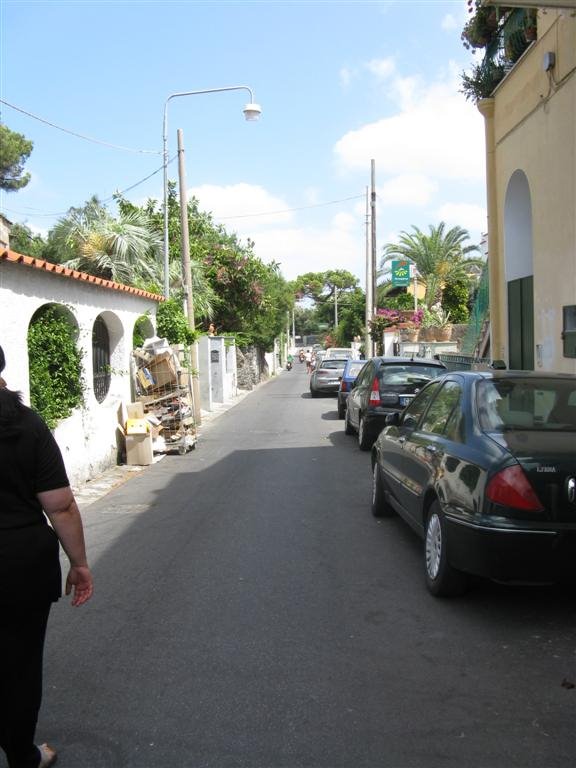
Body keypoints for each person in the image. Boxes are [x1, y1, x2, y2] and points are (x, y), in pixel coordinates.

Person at [0, 344, 94, 768]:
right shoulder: (25, 424)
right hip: (20, 567)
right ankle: (22, 755)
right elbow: (59, 505)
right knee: (19, 666)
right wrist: (79, 564)